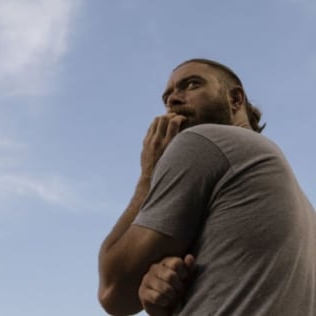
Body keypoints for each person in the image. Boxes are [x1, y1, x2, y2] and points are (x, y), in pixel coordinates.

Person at [98, 58, 316, 315]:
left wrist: (148, 174)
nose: (173, 101)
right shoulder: (305, 211)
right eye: (167, 97)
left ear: (235, 99)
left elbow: (114, 291)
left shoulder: (203, 140)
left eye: (191, 85)